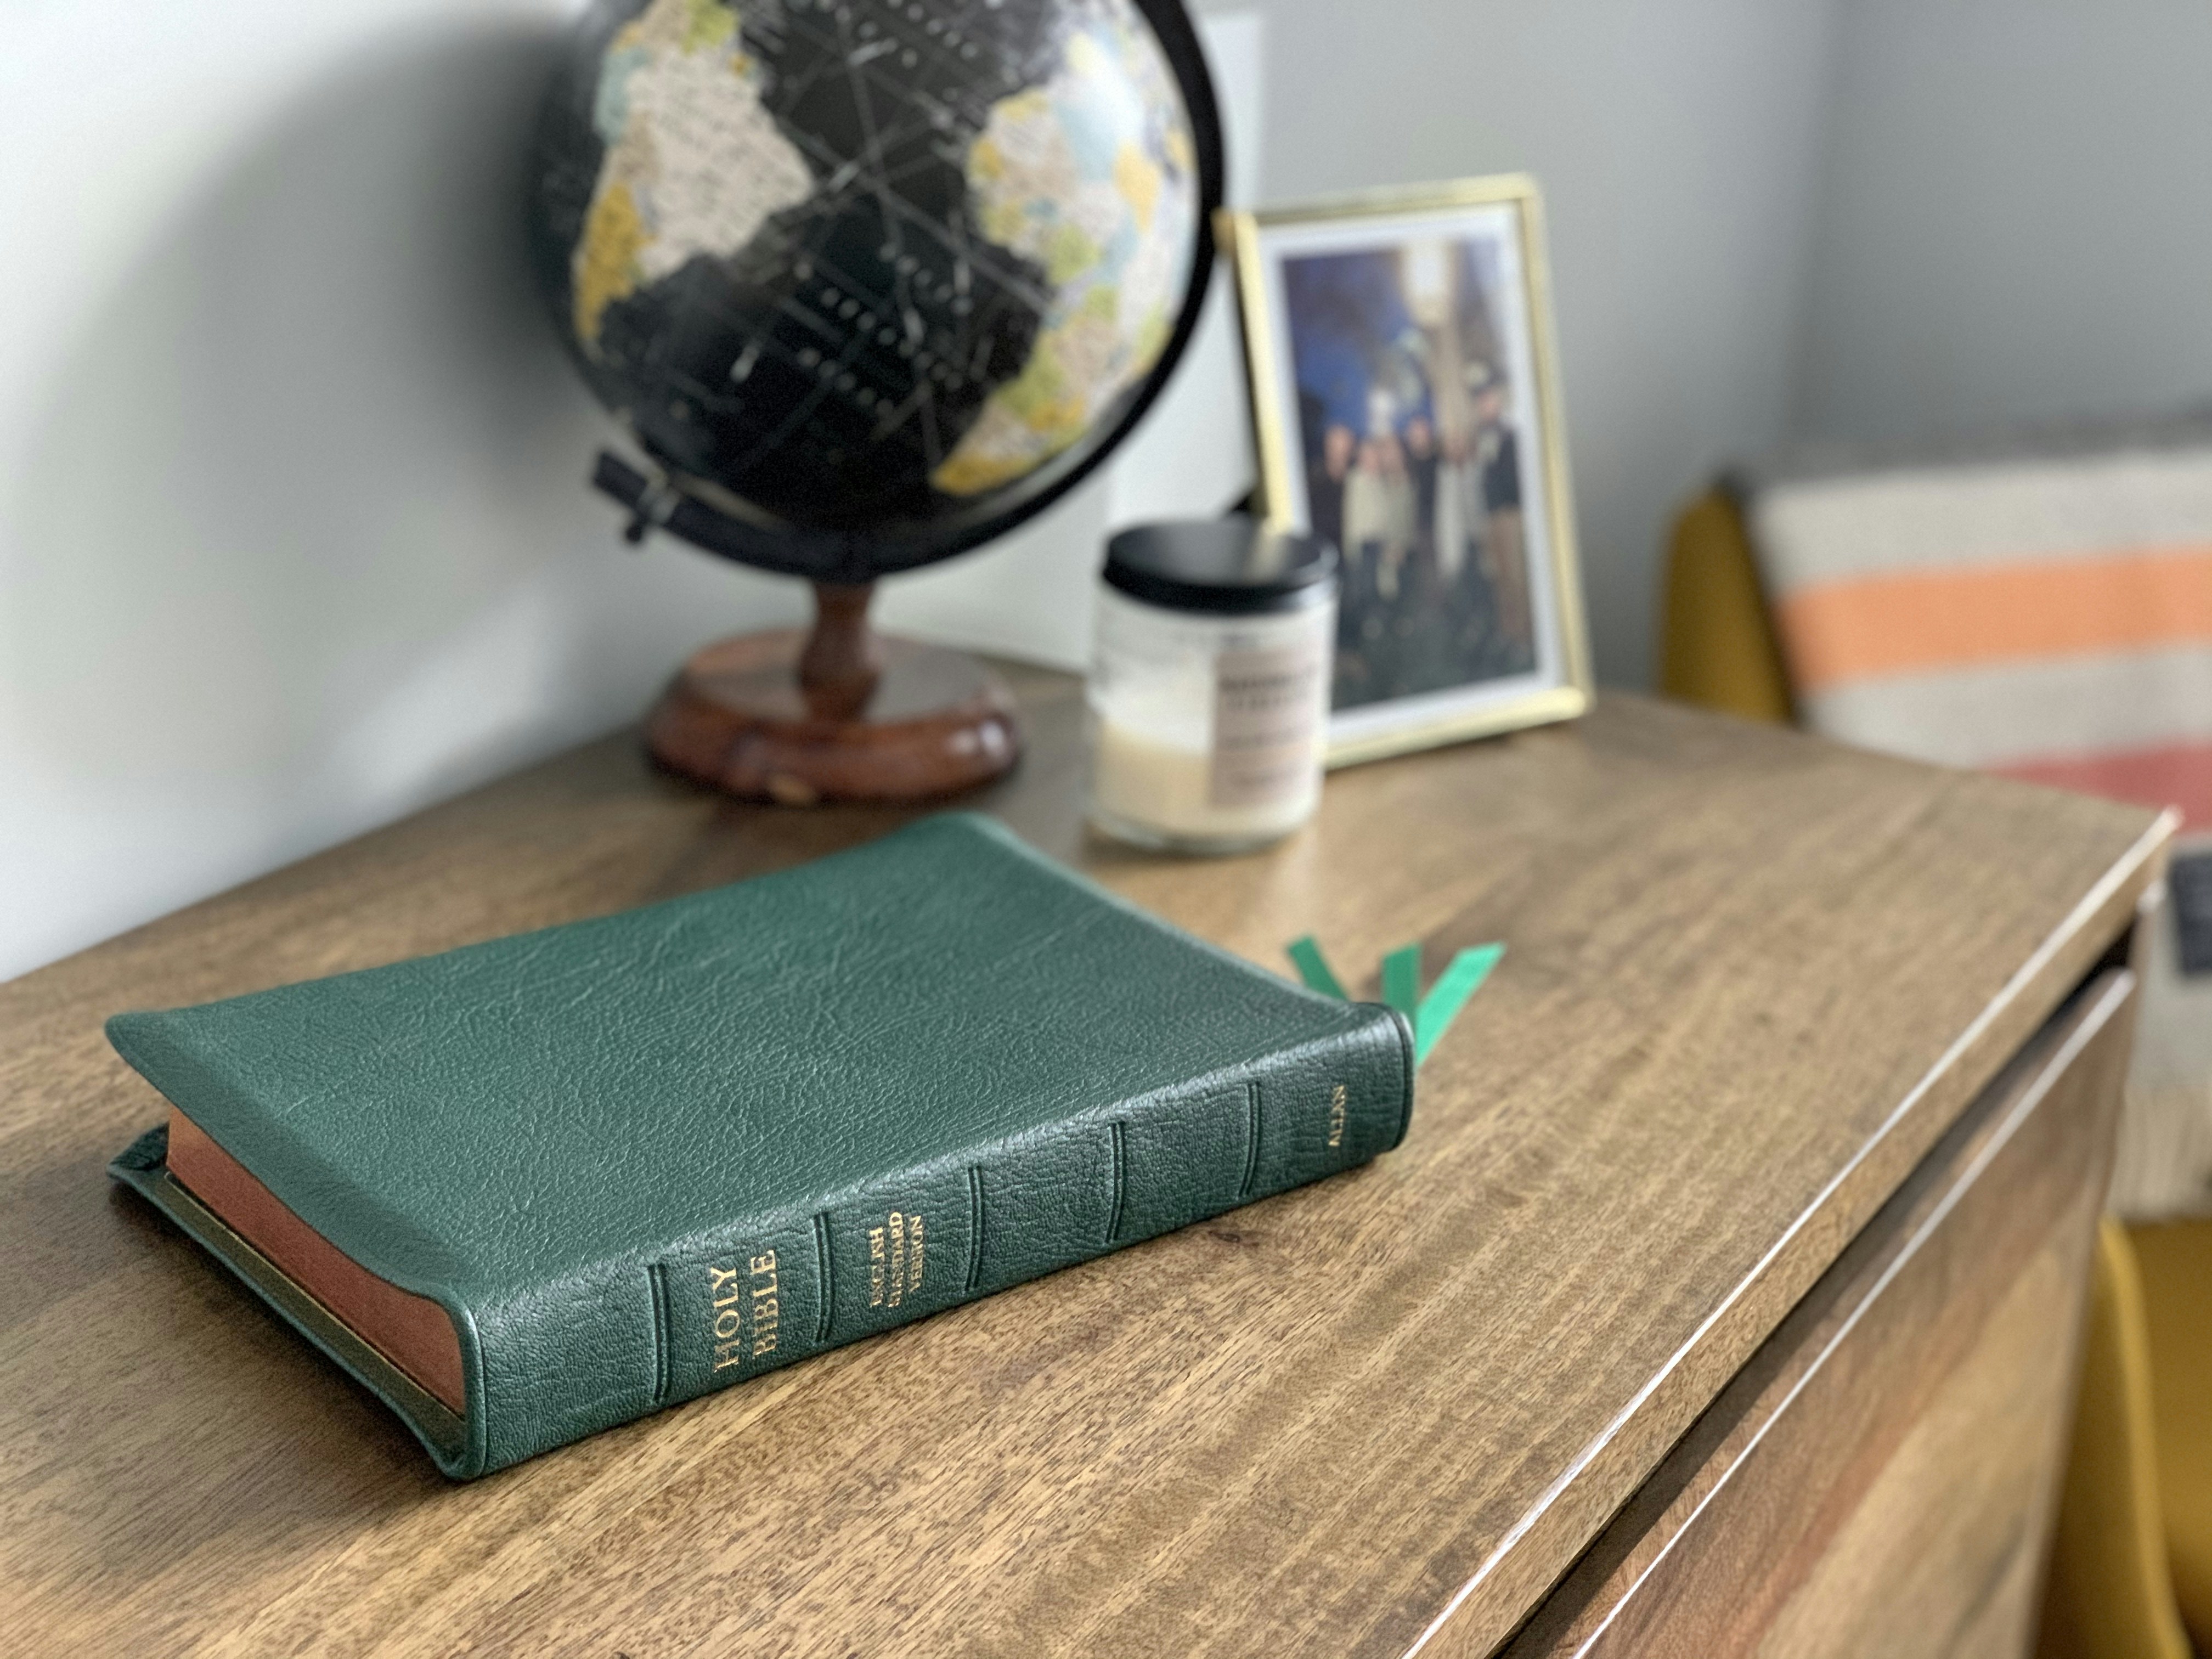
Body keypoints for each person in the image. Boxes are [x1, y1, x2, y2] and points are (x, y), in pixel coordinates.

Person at [1469, 362, 1533, 655]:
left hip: (1510, 514)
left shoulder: (1509, 434)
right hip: (1491, 516)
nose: (1485, 405)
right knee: (1500, 577)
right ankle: (1509, 633)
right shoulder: (1481, 437)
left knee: (1517, 575)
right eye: (1480, 400)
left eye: (1488, 398)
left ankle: (1524, 635)